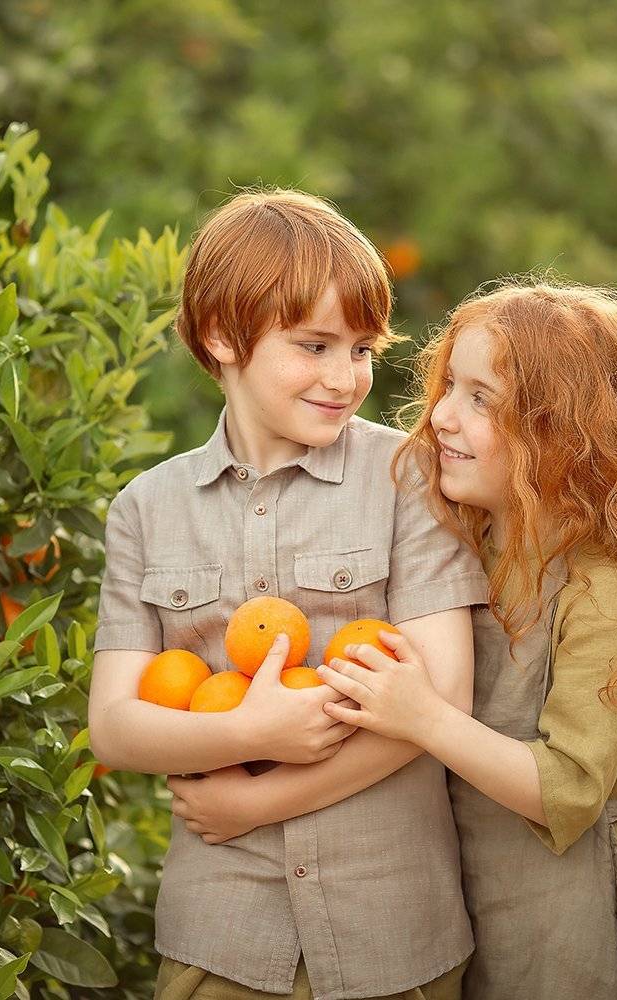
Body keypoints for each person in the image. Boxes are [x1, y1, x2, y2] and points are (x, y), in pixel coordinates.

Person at [88, 188, 490, 1000]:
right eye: (314, 346)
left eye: (362, 350)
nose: (346, 378)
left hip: (393, 933)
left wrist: (263, 796)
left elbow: (442, 700)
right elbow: (116, 726)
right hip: (223, 939)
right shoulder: (146, 509)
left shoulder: (407, 479)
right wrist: (248, 729)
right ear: (222, 336)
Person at [304, 280, 617, 998]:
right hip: (464, 898)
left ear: (565, 434)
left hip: (569, 913)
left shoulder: (606, 589)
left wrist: (423, 717)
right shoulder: (460, 545)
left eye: (482, 400)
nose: (441, 415)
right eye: (449, 386)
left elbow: (567, 789)